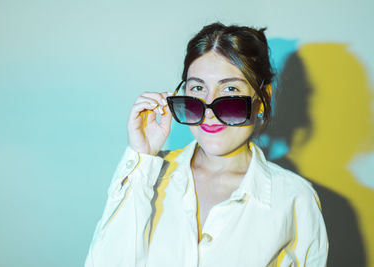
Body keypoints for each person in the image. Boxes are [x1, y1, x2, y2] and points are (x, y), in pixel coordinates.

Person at [85, 23, 328, 267]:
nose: (209, 109)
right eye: (199, 88)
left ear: (262, 100)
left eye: (230, 89)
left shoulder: (295, 198)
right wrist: (142, 158)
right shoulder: (146, 175)